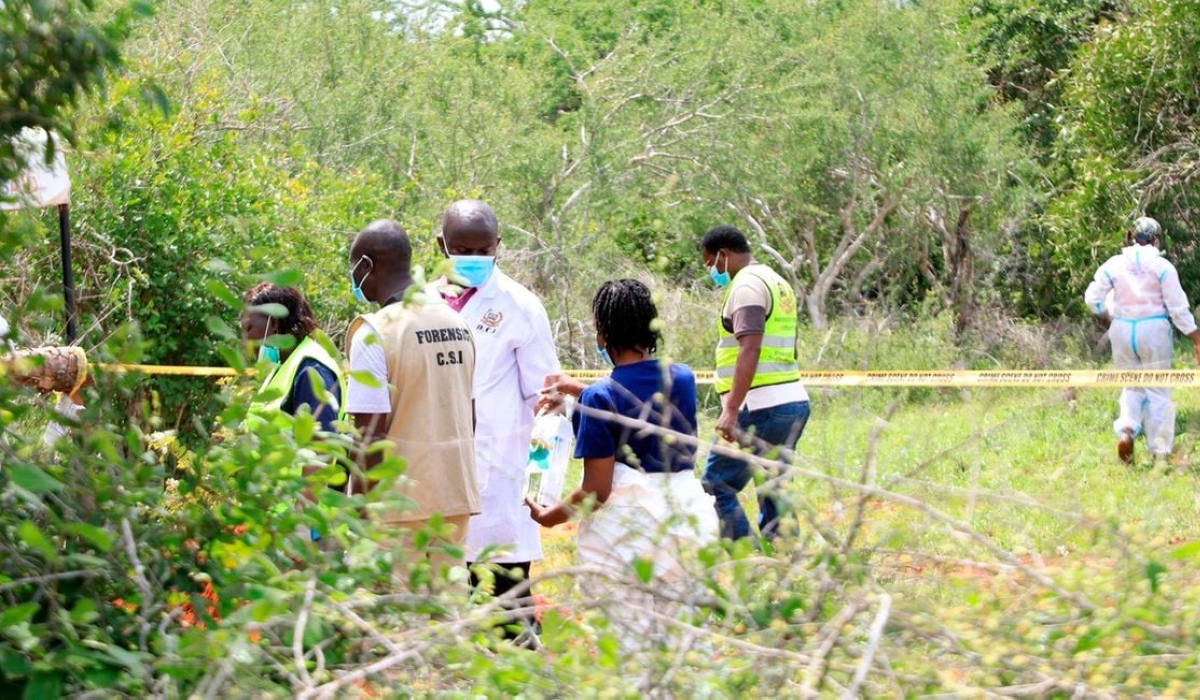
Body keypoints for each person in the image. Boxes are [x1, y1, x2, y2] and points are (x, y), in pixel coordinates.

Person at [529, 279, 717, 585]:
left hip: (628, 534)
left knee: (626, 628)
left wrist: (549, 517)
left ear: (602, 337)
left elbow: (595, 492)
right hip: (685, 522)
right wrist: (577, 388)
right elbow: (635, 402)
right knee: (684, 626)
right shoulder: (682, 377)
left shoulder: (600, 397)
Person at [436, 199, 560, 639]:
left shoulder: (521, 307)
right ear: (441, 246)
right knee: (449, 606)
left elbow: (549, 404)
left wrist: (539, 483)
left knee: (506, 608)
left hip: (501, 479)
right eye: (461, 249)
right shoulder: (424, 305)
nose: (473, 259)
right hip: (440, 475)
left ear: (498, 247)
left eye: (483, 250)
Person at [343, 219, 480, 576]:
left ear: (367, 266)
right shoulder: (457, 323)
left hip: (396, 508)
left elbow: (368, 437)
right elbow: (471, 415)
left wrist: (360, 515)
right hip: (454, 499)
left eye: (353, 266)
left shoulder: (375, 332)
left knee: (398, 626)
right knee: (448, 620)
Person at [699, 224, 810, 541]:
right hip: (791, 400)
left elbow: (751, 346)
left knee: (715, 484)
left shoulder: (746, 286)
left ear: (724, 255)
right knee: (775, 482)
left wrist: (731, 409)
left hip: (759, 406)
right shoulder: (776, 282)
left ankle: (747, 558)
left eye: (710, 264)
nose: (711, 271)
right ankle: (785, 557)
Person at [1084, 216, 1200, 464]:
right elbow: (1178, 308)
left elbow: (1092, 299)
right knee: (1158, 390)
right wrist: (1195, 338)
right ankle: (1160, 451)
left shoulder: (1113, 264)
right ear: (1156, 239)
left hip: (1123, 328)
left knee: (1131, 386)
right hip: (1154, 329)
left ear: (1130, 237)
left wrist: (1108, 314)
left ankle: (1127, 430)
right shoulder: (1163, 267)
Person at [241, 282, 344, 435]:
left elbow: (320, 451)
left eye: (249, 329)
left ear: (274, 323)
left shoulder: (311, 369)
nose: (245, 340)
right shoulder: (283, 368)